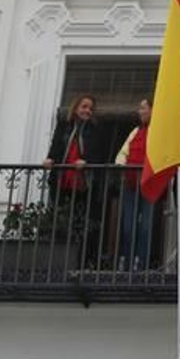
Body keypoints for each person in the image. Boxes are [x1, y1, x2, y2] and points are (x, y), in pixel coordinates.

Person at [41, 94, 113, 261]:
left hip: (83, 183)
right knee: (59, 218)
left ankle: (80, 260)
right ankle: (58, 259)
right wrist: (50, 158)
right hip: (62, 179)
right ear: (76, 108)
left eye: (90, 108)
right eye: (84, 107)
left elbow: (99, 154)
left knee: (81, 222)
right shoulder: (64, 125)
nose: (87, 111)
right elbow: (57, 145)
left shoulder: (96, 129)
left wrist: (87, 161)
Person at [114, 98, 155, 269]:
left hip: (149, 186)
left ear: (153, 110)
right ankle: (126, 261)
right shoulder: (135, 131)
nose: (139, 111)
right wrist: (121, 166)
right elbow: (123, 153)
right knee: (128, 226)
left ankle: (141, 263)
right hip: (130, 185)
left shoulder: (159, 131)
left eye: (143, 108)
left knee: (146, 226)